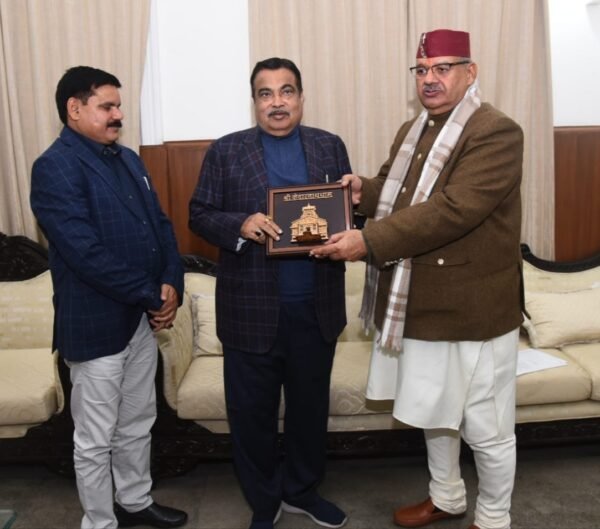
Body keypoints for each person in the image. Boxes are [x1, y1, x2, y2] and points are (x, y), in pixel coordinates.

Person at [311, 30, 524, 529]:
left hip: (475, 310)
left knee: (487, 426)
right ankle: (446, 497)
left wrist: (369, 241)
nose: (430, 79)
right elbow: (399, 191)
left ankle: (494, 517)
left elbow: (453, 209)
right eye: (422, 69)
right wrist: (362, 191)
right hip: (421, 305)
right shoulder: (415, 129)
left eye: (443, 68)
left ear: (470, 72)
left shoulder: (495, 131)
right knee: (435, 412)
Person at [189, 57, 351, 529]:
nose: (277, 102)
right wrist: (239, 224)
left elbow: (347, 212)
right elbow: (199, 214)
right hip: (250, 311)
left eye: (286, 91)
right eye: (266, 93)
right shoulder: (226, 151)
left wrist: (352, 216)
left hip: (316, 309)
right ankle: (264, 501)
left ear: (301, 97)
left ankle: (301, 491)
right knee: (251, 417)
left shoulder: (329, 146)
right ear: (254, 101)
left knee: (308, 412)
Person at [30, 66, 187, 529]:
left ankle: (135, 501)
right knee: (95, 438)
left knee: (138, 421)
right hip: (96, 326)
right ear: (74, 109)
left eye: (118, 105)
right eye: (107, 106)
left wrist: (171, 283)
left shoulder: (129, 160)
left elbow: (160, 227)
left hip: (140, 322)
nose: (118, 114)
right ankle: (100, 522)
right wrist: (151, 294)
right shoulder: (54, 166)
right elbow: (85, 252)